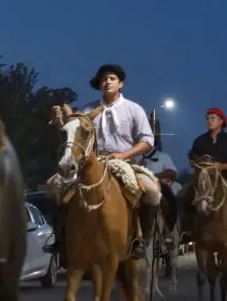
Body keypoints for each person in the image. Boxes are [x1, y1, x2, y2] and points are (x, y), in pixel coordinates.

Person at [46, 64, 158, 260]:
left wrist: (124, 155)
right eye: (103, 79)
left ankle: (141, 240)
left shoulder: (134, 109)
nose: (107, 82)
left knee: (152, 190)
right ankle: (60, 239)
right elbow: (71, 133)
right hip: (92, 162)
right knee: (55, 185)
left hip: (124, 161)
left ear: (120, 83)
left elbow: (148, 141)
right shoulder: (88, 110)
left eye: (112, 78)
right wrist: (58, 122)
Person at [188, 107, 227, 241]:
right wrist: (196, 164)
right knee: (184, 193)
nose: (209, 121)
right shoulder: (199, 141)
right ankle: (186, 230)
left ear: (221, 121)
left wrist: (222, 166)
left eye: (213, 118)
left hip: (226, 176)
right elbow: (192, 159)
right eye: (208, 119)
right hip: (204, 177)